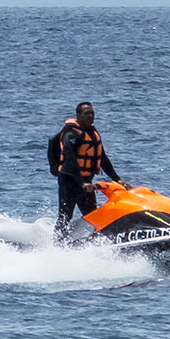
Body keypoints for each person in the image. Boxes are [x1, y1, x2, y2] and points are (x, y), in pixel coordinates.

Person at [52, 101, 121, 238]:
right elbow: (70, 160)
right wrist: (81, 182)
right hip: (69, 182)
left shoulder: (93, 133)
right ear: (78, 115)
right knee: (65, 216)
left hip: (86, 183)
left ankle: (95, 242)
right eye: (86, 113)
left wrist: (117, 179)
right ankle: (57, 244)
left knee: (93, 216)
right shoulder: (71, 134)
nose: (90, 116)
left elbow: (103, 159)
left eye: (92, 113)